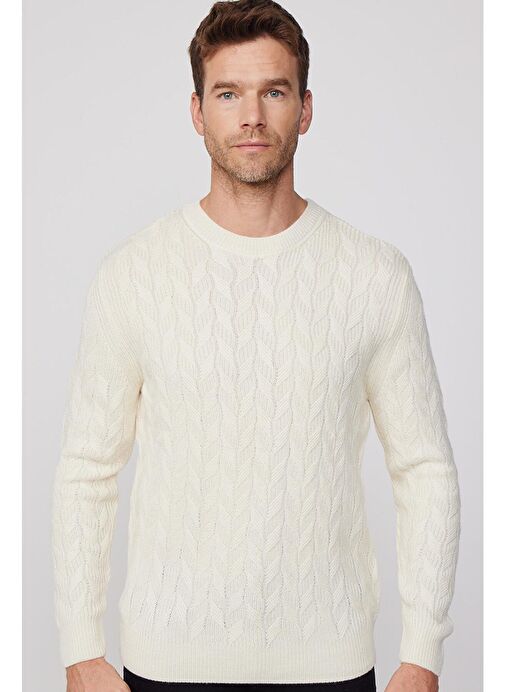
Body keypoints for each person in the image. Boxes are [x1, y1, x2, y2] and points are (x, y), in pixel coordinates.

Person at [51, 1, 461, 691]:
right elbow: (87, 468)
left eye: (273, 91)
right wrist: (81, 649)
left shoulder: (373, 275)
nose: (251, 117)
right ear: (196, 111)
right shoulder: (134, 274)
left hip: (330, 666)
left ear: (305, 108)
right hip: (165, 664)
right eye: (228, 94)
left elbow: (424, 467)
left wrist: (422, 654)